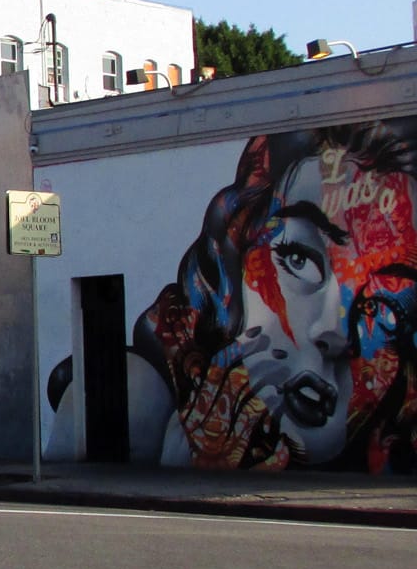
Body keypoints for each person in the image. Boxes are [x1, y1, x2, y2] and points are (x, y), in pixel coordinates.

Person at [100, 118, 417, 471]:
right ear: (237, 255)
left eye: (385, 303)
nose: (337, 333)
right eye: (299, 259)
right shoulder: (144, 390)